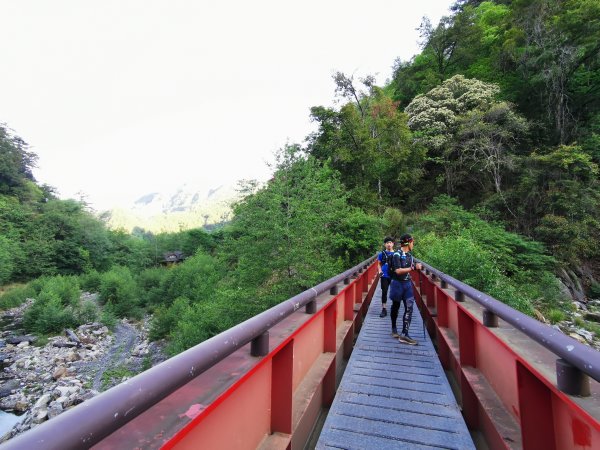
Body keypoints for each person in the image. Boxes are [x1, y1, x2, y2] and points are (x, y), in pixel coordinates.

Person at [388, 233, 422, 345]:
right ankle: (394, 327)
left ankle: (404, 334)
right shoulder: (396, 254)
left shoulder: (410, 256)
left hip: (407, 284)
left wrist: (415, 266)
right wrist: (413, 268)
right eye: (412, 242)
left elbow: (410, 268)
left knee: (409, 307)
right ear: (408, 242)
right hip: (397, 284)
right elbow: (397, 271)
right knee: (396, 306)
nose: (413, 244)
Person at [377, 237, 395, 317]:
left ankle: (394, 308)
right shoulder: (381, 254)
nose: (389, 244)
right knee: (384, 292)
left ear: (393, 244)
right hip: (384, 275)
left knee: (395, 292)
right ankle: (384, 309)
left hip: (394, 276)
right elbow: (379, 264)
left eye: (390, 242)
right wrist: (380, 271)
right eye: (387, 243)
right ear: (385, 244)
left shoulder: (396, 254)